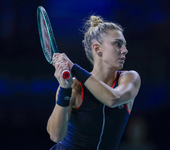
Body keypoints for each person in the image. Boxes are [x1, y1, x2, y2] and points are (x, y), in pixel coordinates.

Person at [47, 15, 141, 150]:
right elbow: (56, 136)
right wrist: (64, 88)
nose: (125, 50)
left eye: (124, 45)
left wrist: (73, 67)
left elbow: (112, 99)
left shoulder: (130, 78)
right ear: (97, 49)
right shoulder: (74, 86)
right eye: (118, 44)